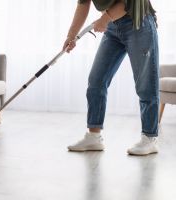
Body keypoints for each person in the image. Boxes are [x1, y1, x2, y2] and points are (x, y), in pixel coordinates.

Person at [63, 0, 159, 156]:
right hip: (113, 25)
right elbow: (83, 4)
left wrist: (105, 18)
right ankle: (94, 136)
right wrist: (71, 35)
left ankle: (150, 138)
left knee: (145, 83)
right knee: (96, 81)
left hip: (138, 21)